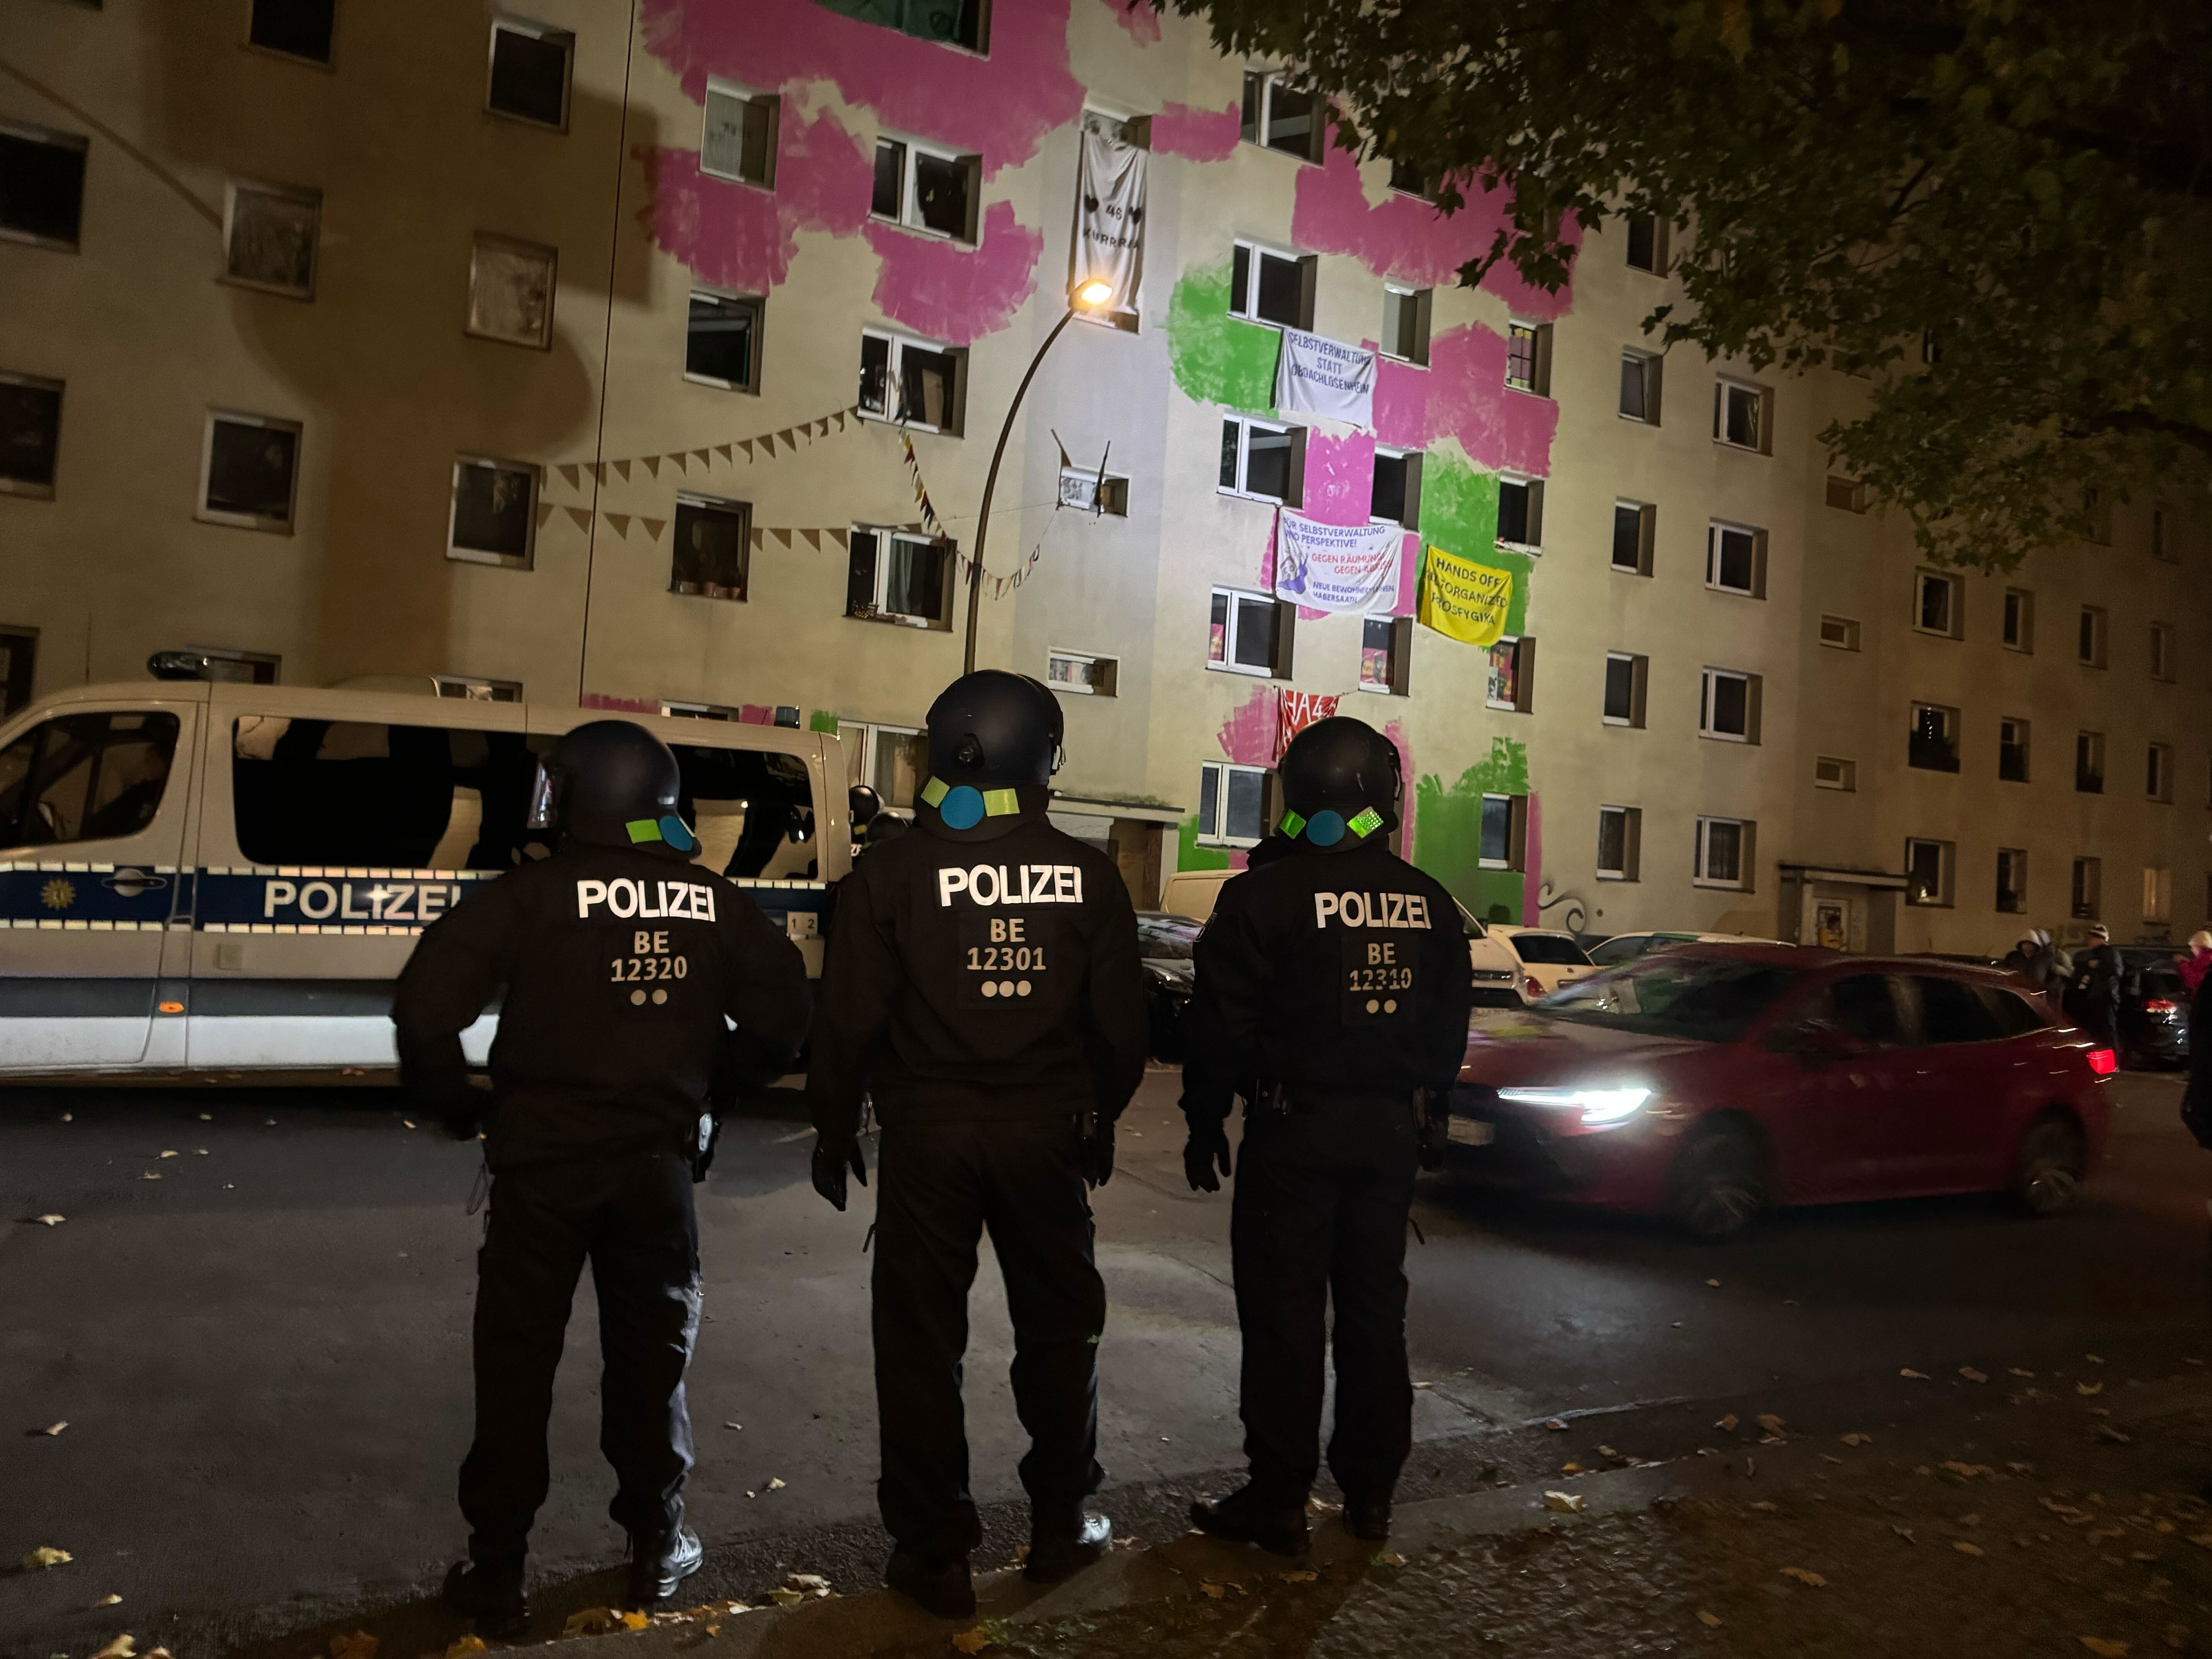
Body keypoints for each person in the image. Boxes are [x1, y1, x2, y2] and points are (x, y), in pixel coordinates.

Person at [394, 721, 812, 1634]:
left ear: (581, 795)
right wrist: (715, 1085)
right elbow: (787, 1019)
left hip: (540, 1171)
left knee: (514, 1367)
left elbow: (425, 1008)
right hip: (655, 1174)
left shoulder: (529, 896)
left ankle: (497, 1570)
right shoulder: (713, 903)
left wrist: (461, 1107)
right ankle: (656, 1548)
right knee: (652, 1363)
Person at [807, 671, 1149, 1619]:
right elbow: (1123, 1031)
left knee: (920, 1346)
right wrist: (1096, 1116)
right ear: (1041, 756)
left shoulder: (891, 873)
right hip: (1047, 1137)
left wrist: (835, 1128)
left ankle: (934, 1552)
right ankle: (1059, 1518)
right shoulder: (1086, 873)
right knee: (1060, 1329)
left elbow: (846, 1023)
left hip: (927, 1142)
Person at [1178, 716, 1474, 1555]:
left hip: (1292, 1134)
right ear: (1382, 798)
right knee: (1376, 1317)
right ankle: (1372, 1495)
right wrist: (1431, 1111)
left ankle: (1278, 1500)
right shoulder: (1429, 902)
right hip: (1385, 1136)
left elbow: (1220, 1027)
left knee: (1285, 1320)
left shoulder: (1262, 896)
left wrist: (1206, 1119)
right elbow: (1448, 1026)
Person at [2066, 923, 2123, 1050]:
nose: (2090, 941)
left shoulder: (2111, 952)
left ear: (2100, 939)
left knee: (2108, 1030)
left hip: (2106, 997)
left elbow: (2116, 971)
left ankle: (2114, 1060)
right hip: (2094, 997)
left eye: (2092, 938)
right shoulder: (2093, 953)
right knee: (2095, 1031)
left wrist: (2099, 966)